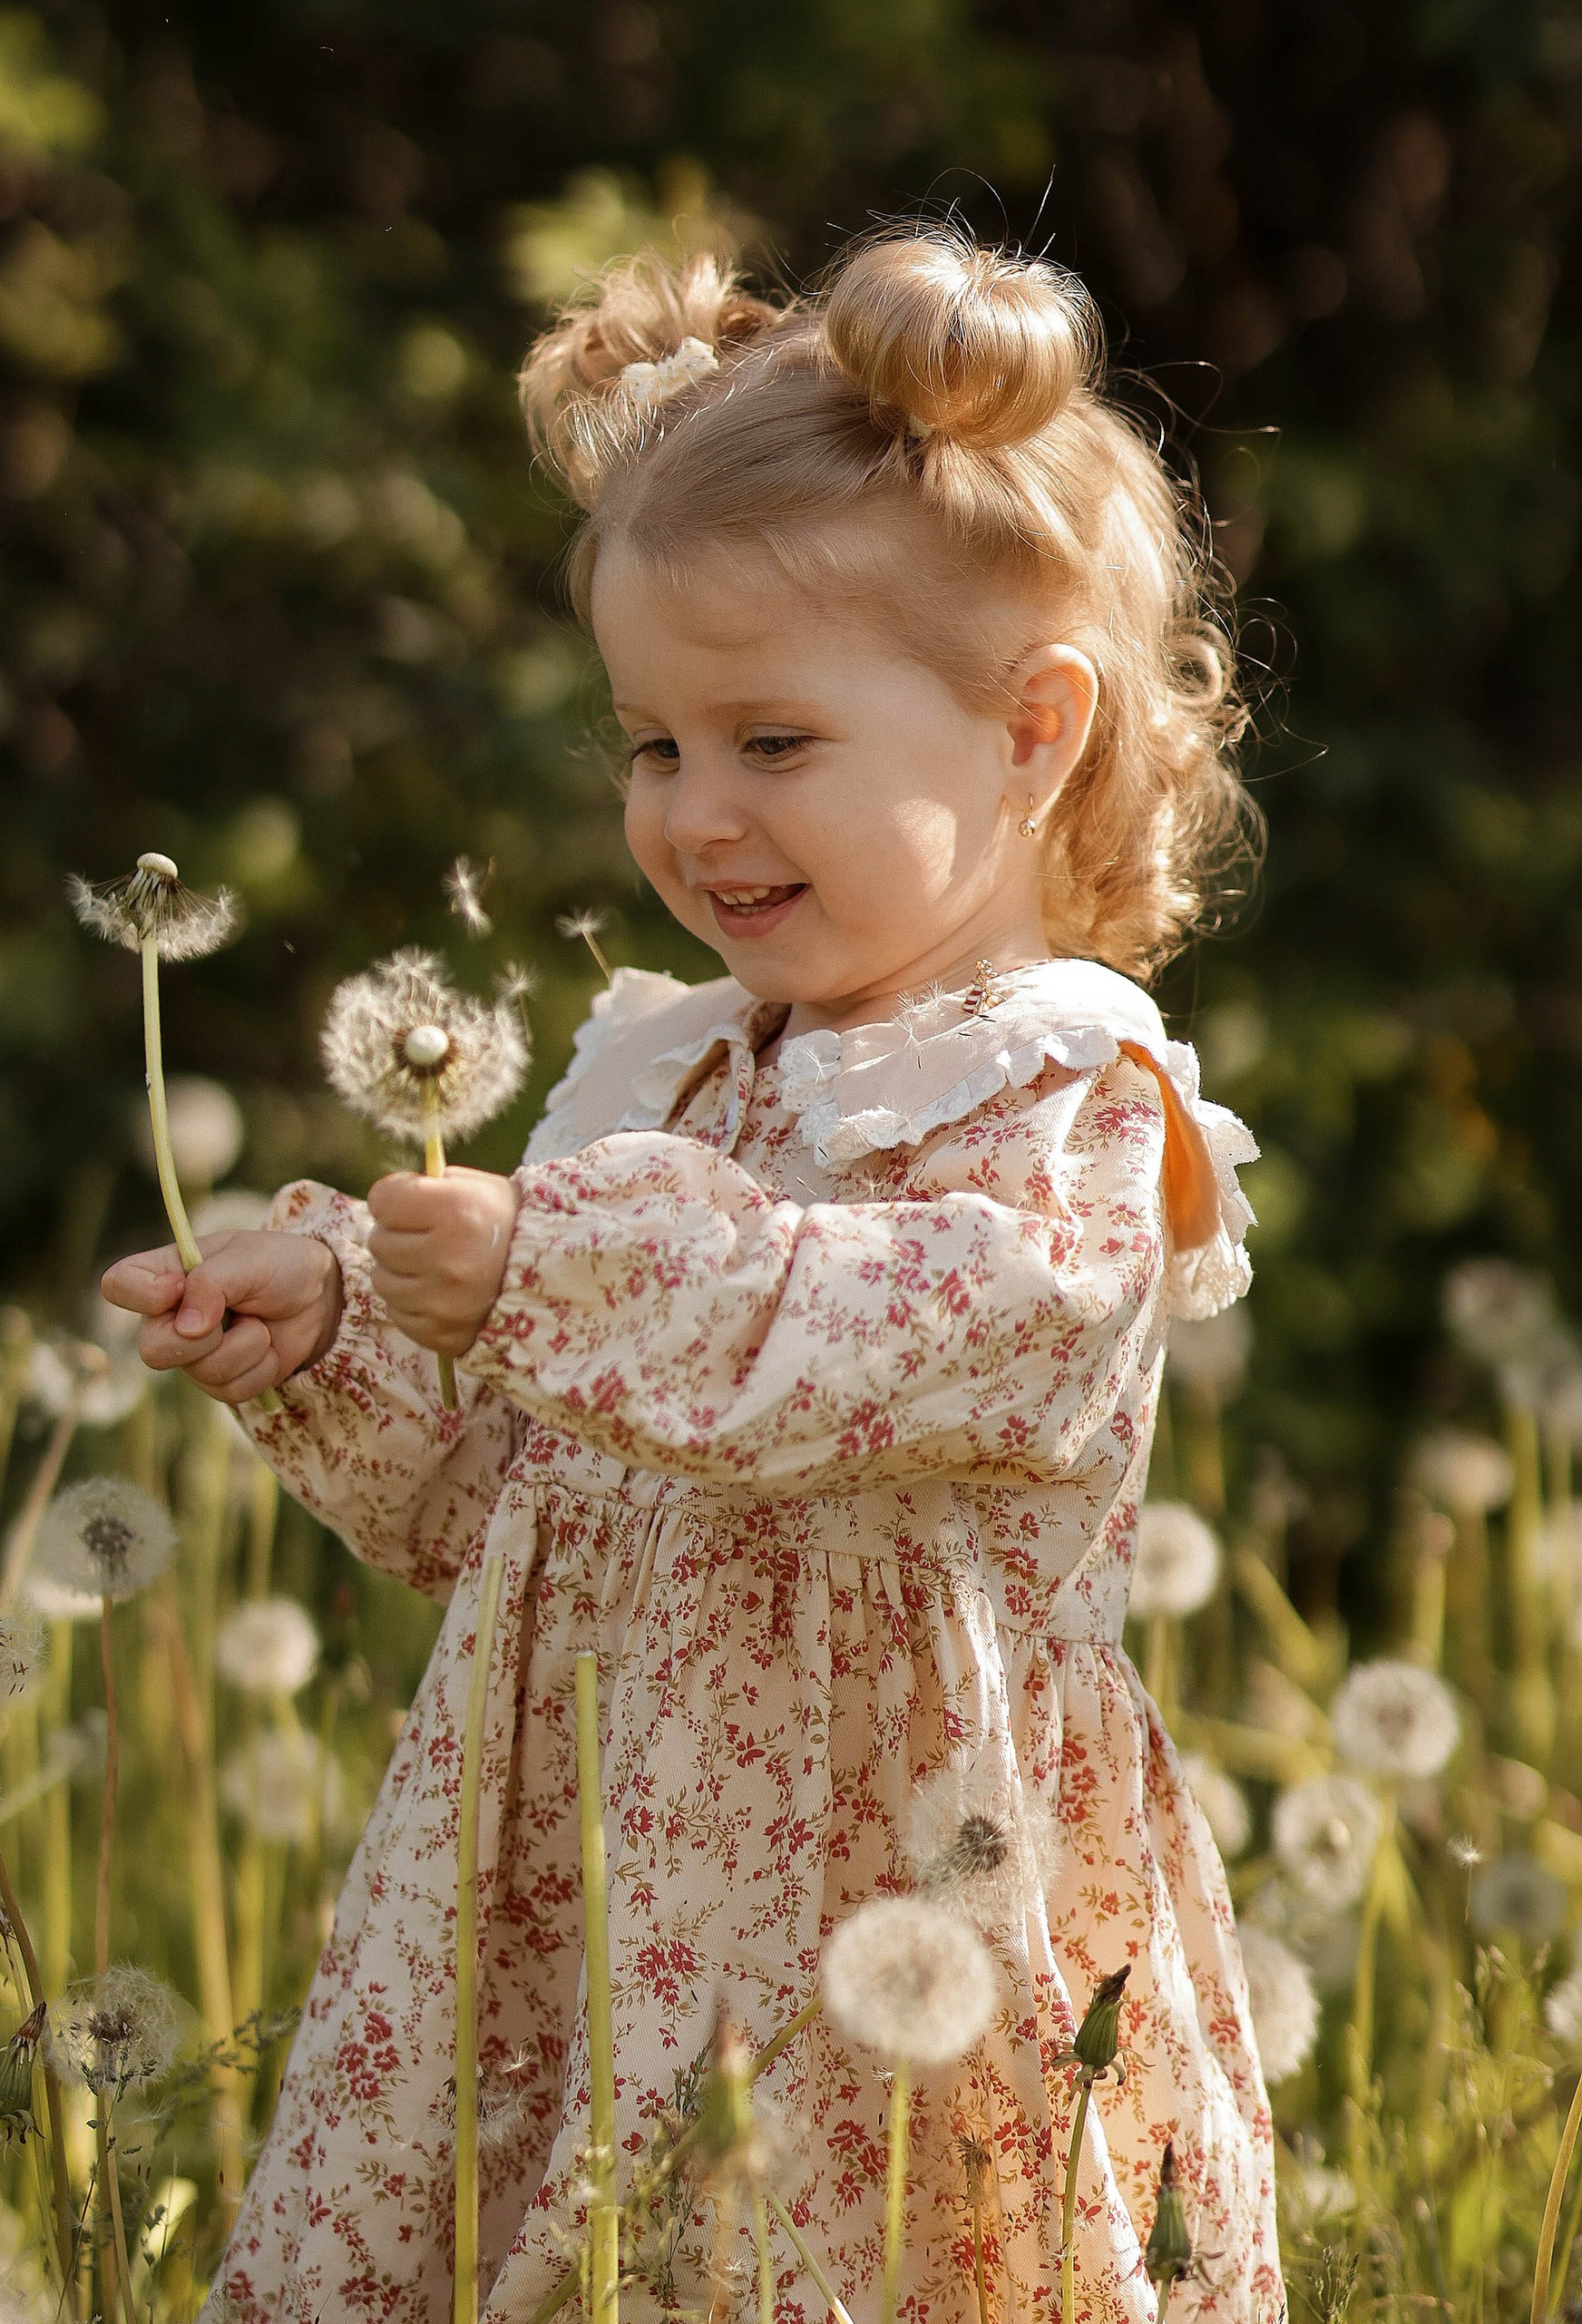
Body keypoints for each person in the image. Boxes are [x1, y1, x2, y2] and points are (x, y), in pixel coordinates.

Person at [104, 223, 1279, 2323]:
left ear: (1028, 730)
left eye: (770, 743)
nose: (693, 814)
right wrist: (344, 1346)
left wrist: (554, 1268)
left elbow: (908, 1334)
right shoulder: (665, 1075)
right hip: (578, 1927)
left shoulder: (1071, 1106)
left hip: (885, 1943)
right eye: (651, 745)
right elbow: (499, 1513)